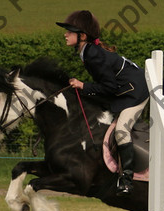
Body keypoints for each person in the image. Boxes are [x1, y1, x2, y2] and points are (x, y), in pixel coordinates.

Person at [56, 10, 149, 196]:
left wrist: (83, 85)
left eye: (69, 31)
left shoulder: (92, 54)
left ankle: (127, 180)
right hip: (124, 90)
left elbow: (109, 87)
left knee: (122, 130)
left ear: (82, 36)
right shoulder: (87, 52)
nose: (65, 34)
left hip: (135, 93)